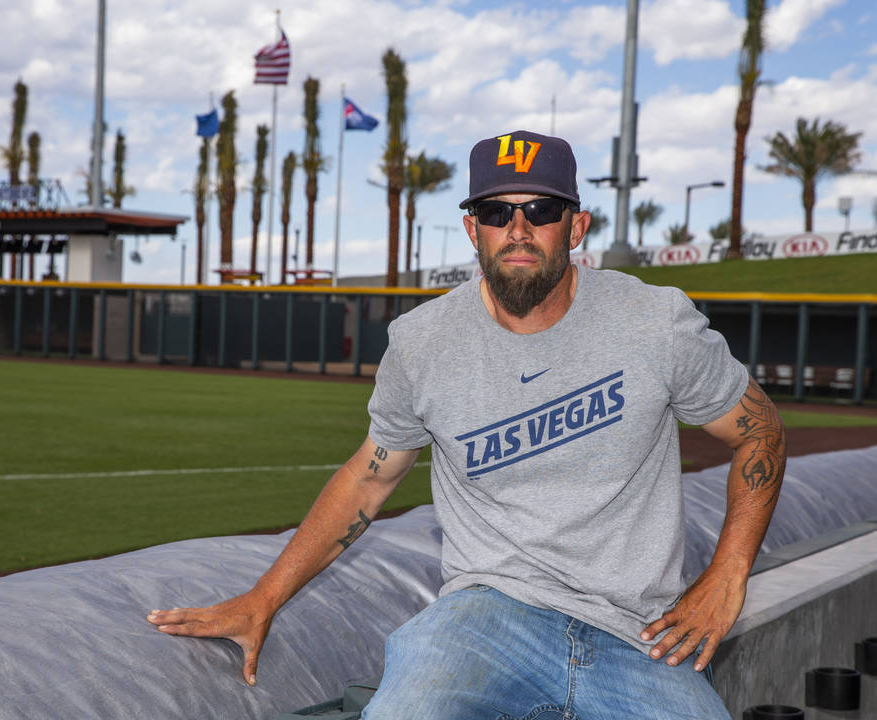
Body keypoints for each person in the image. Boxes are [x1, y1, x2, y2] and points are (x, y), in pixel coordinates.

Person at [147, 130, 787, 719]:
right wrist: (263, 598)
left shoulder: (654, 321)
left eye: (540, 211)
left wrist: (727, 573)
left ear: (577, 226)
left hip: (637, 631)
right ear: (471, 229)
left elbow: (759, 431)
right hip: (484, 617)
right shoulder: (423, 342)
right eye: (494, 212)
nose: (517, 229)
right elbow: (369, 479)